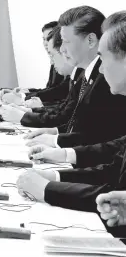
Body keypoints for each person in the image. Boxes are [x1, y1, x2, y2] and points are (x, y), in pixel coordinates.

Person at [16, 12, 126, 214]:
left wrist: (49, 189)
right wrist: (56, 176)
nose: (101, 70)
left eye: (104, 57)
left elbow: (118, 190)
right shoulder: (91, 76)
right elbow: (116, 163)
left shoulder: (104, 84)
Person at [4, 6, 126, 148]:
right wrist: (55, 132)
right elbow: (80, 123)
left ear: (91, 41)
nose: (61, 49)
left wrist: (57, 142)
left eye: (66, 41)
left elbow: (102, 137)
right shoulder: (88, 74)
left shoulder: (106, 79)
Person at [1, 26, 82, 127]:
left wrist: (24, 105)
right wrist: (29, 107)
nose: (45, 43)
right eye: (43, 39)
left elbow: (60, 98)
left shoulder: (81, 75)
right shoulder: (74, 73)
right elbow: (63, 107)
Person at [0, 21, 66, 105]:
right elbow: (50, 89)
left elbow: (59, 92)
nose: (46, 43)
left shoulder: (65, 64)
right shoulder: (55, 61)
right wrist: (24, 91)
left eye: (49, 38)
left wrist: (23, 98)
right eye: (44, 39)